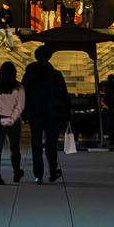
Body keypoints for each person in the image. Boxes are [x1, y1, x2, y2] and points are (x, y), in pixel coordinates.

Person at [21, 44, 70, 184]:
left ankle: (38, 174)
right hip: (52, 114)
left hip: (35, 112)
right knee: (51, 144)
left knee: (36, 143)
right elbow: (63, 97)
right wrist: (66, 116)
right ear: (49, 57)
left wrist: (24, 113)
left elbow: (24, 94)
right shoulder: (55, 74)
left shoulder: (30, 74)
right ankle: (53, 170)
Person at [0, 61, 26, 185]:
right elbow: (20, 106)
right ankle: (16, 172)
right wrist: (12, 119)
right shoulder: (19, 88)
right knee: (14, 147)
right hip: (12, 119)